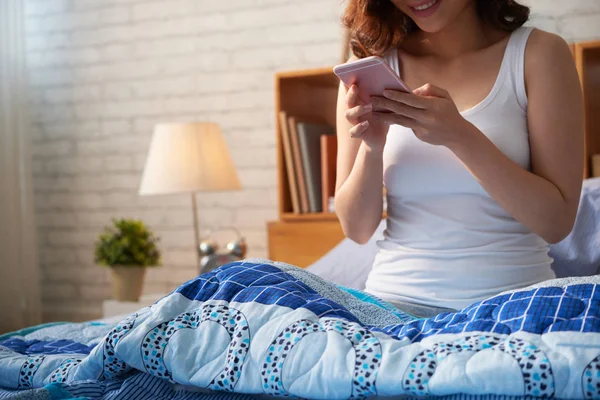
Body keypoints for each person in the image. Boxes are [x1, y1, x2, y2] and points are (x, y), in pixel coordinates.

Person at [335, 0, 584, 318]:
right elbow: (356, 229)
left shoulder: (540, 54)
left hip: (512, 307)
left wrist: (460, 136)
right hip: (392, 307)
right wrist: (372, 147)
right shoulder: (369, 68)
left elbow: (557, 223)